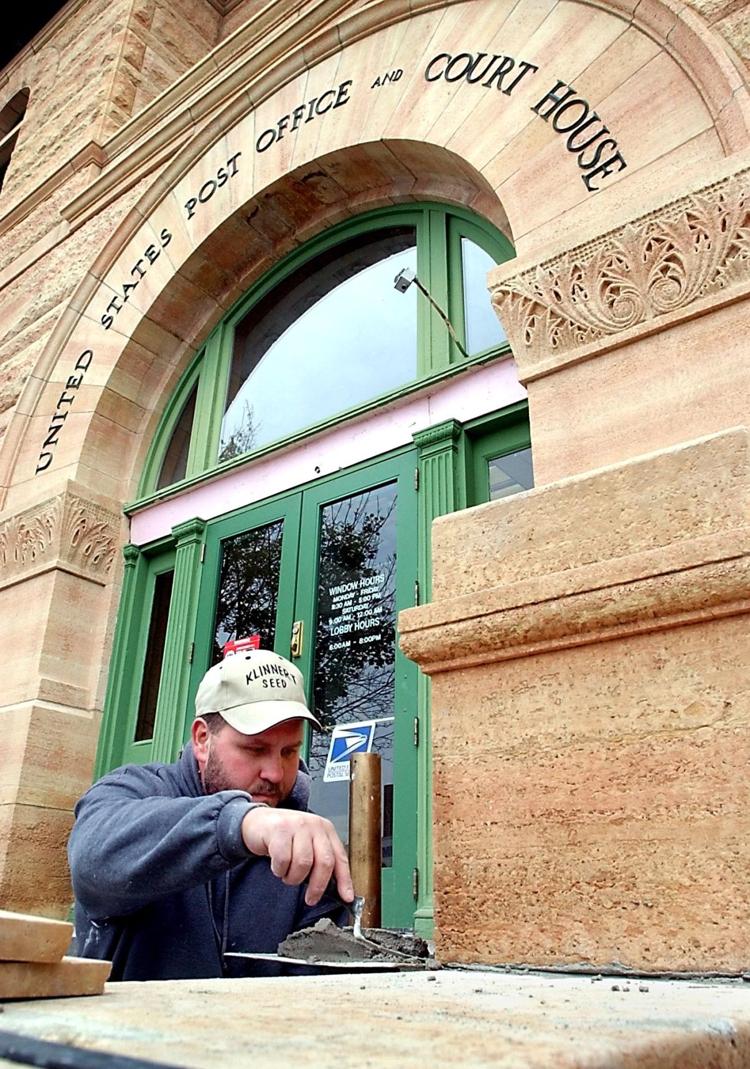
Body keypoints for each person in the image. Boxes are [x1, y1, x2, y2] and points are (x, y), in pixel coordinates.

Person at [68, 647, 354, 980]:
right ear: (203, 739)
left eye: (289, 751)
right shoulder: (134, 789)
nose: (276, 773)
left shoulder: (302, 843)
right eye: (255, 749)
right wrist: (240, 822)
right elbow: (92, 860)